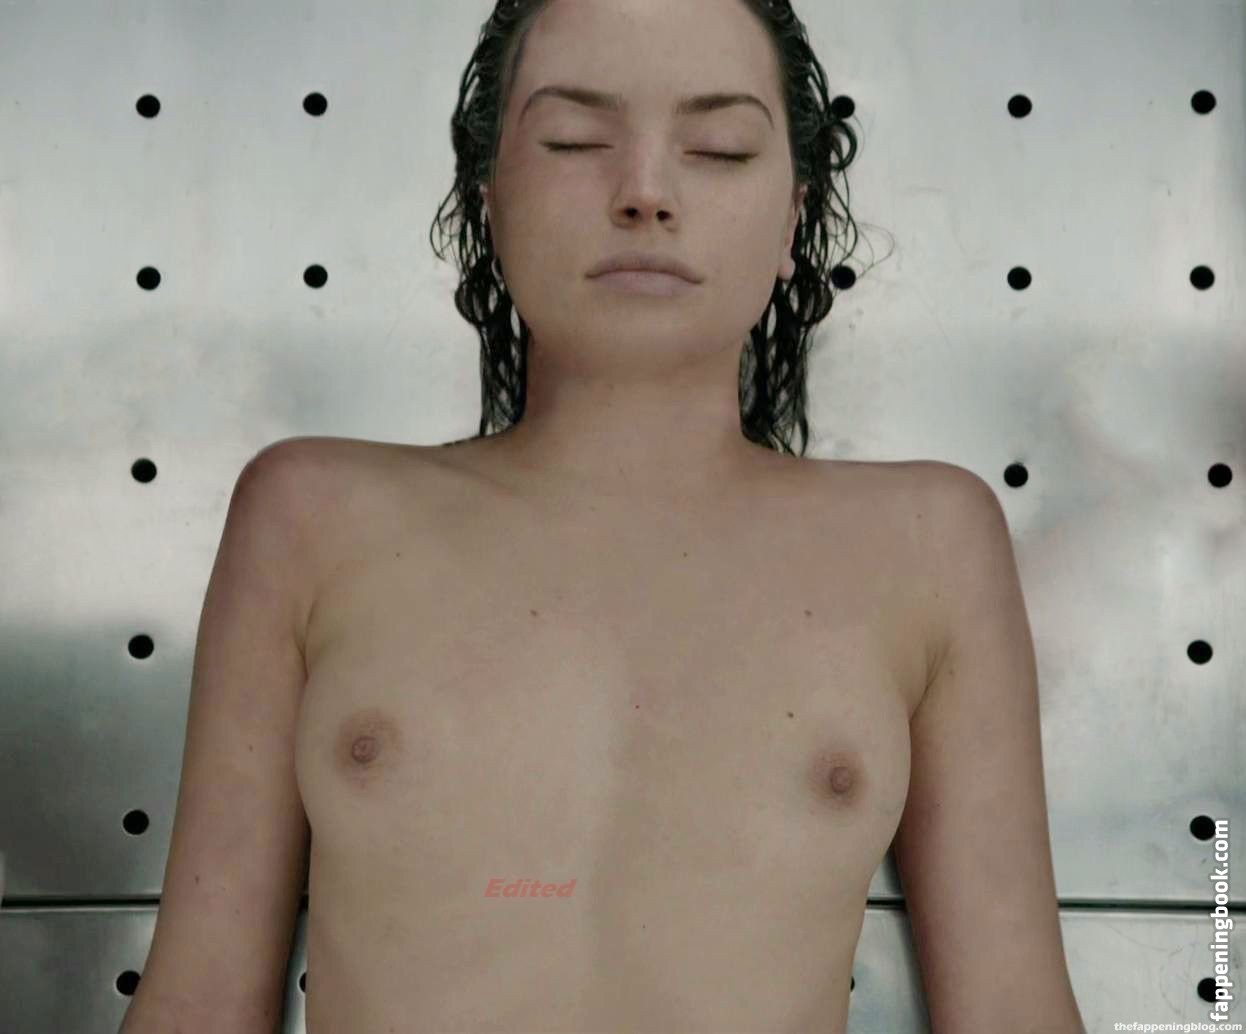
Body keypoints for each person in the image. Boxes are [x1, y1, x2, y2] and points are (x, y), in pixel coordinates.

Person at [124, 1, 1086, 1032]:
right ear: (488, 199)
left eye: (718, 149)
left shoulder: (929, 544)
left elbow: (1012, 1011)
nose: (645, 192)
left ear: (791, 219)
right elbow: (199, 1004)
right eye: (575, 140)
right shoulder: (310, 518)